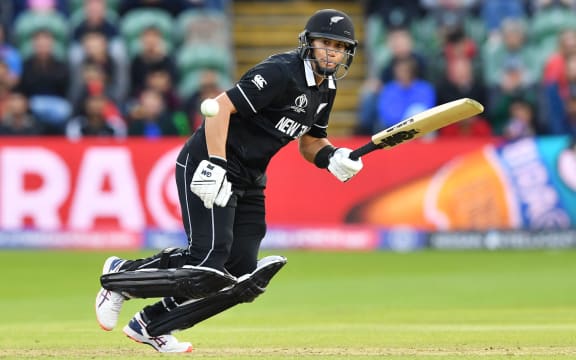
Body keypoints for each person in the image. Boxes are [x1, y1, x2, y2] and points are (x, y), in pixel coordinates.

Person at [94, 8, 364, 353]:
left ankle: (152, 324)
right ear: (309, 43)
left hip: (250, 177)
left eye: (339, 47)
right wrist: (216, 163)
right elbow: (219, 108)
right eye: (325, 43)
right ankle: (121, 276)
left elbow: (310, 141)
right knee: (207, 259)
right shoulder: (281, 72)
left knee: (238, 272)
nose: (332, 52)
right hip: (209, 160)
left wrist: (331, 156)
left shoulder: (327, 89)